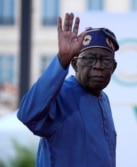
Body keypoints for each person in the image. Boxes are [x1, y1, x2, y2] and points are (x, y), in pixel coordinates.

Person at [17, 12, 119, 167]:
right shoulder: (61, 95)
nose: (98, 66)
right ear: (74, 64)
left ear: (113, 67)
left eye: (105, 60)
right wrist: (61, 60)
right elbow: (27, 115)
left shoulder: (103, 99)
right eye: (90, 59)